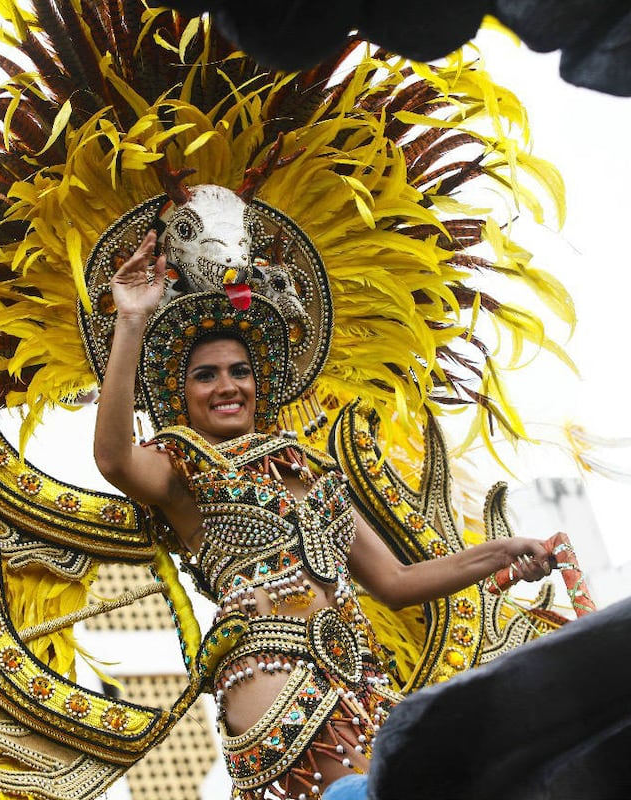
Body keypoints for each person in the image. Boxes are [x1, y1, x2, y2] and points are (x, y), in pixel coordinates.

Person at [93, 230, 556, 799]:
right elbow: (114, 459)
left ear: (260, 383)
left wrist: (499, 554)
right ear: (182, 395)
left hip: (360, 673)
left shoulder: (316, 474)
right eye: (205, 375)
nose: (226, 386)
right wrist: (132, 320)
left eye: (239, 371)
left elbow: (398, 582)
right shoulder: (183, 468)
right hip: (270, 671)